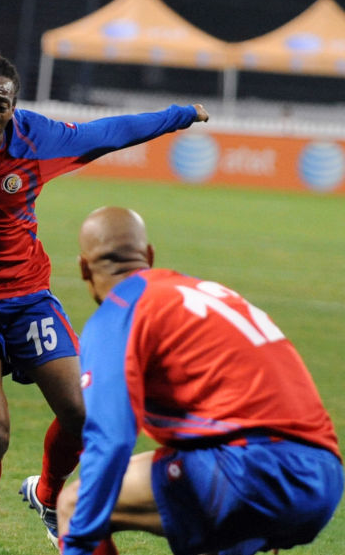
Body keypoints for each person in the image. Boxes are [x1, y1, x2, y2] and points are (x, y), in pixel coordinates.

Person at [0, 52, 209, 555]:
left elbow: (110, 132)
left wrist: (180, 113)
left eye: (1, 104)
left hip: (27, 302)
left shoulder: (35, 140)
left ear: (13, 106)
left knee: (82, 417)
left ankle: (47, 496)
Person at [57, 206, 343, 555]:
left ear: (84, 267)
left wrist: (79, 541)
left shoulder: (119, 313)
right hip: (323, 477)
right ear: (148, 255)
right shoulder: (206, 292)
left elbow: (111, 439)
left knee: (74, 505)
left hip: (252, 470)